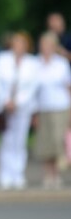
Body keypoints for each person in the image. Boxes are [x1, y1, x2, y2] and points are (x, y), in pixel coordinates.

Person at [0, 31, 39, 190]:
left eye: (22, 43)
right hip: (4, 107)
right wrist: (5, 101)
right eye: (16, 42)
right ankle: (5, 174)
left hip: (22, 108)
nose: (19, 46)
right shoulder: (2, 59)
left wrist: (18, 102)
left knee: (20, 141)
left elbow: (33, 86)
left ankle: (18, 174)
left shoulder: (32, 62)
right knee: (6, 140)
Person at [34, 31, 71, 189]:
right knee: (45, 142)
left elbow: (68, 87)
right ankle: (48, 174)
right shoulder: (36, 63)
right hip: (43, 107)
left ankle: (57, 174)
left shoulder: (61, 63)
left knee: (58, 141)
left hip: (60, 107)